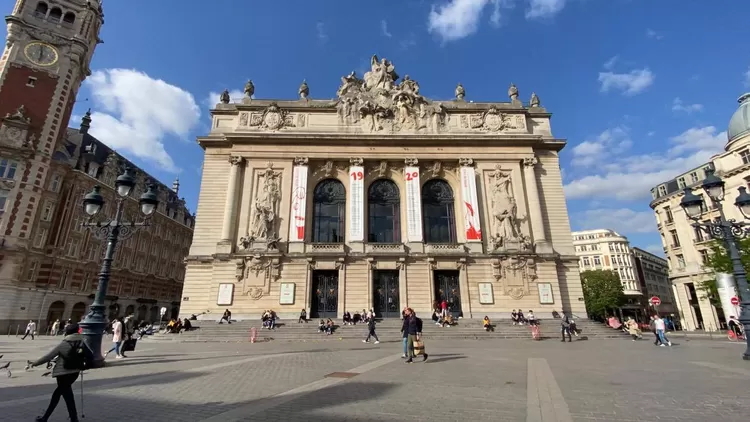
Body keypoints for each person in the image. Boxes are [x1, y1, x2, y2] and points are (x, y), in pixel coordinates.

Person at [27, 323, 90, 422]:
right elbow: (89, 355)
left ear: (67, 332)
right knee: (65, 395)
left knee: (61, 395)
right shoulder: (83, 341)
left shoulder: (65, 343)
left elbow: (48, 356)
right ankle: (72, 418)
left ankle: (47, 418)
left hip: (63, 373)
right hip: (75, 373)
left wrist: (34, 363)